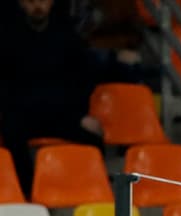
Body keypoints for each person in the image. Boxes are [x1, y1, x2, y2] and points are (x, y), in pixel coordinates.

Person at [0, 0, 105, 196]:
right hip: (22, 113)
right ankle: (29, 195)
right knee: (11, 132)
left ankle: (92, 192)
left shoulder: (66, 36)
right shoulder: (7, 37)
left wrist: (81, 115)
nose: (38, 6)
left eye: (43, 1)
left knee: (93, 135)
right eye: (31, 2)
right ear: (22, 4)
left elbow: (83, 78)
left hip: (61, 115)